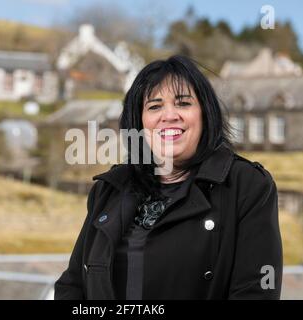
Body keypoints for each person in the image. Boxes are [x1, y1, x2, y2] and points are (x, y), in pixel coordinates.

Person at [54, 55, 283, 300]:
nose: (169, 115)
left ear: (205, 113)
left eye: (183, 103)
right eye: (154, 106)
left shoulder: (246, 185)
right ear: (139, 123)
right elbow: (73, 284)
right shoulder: (109, 190)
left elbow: (256, 292)